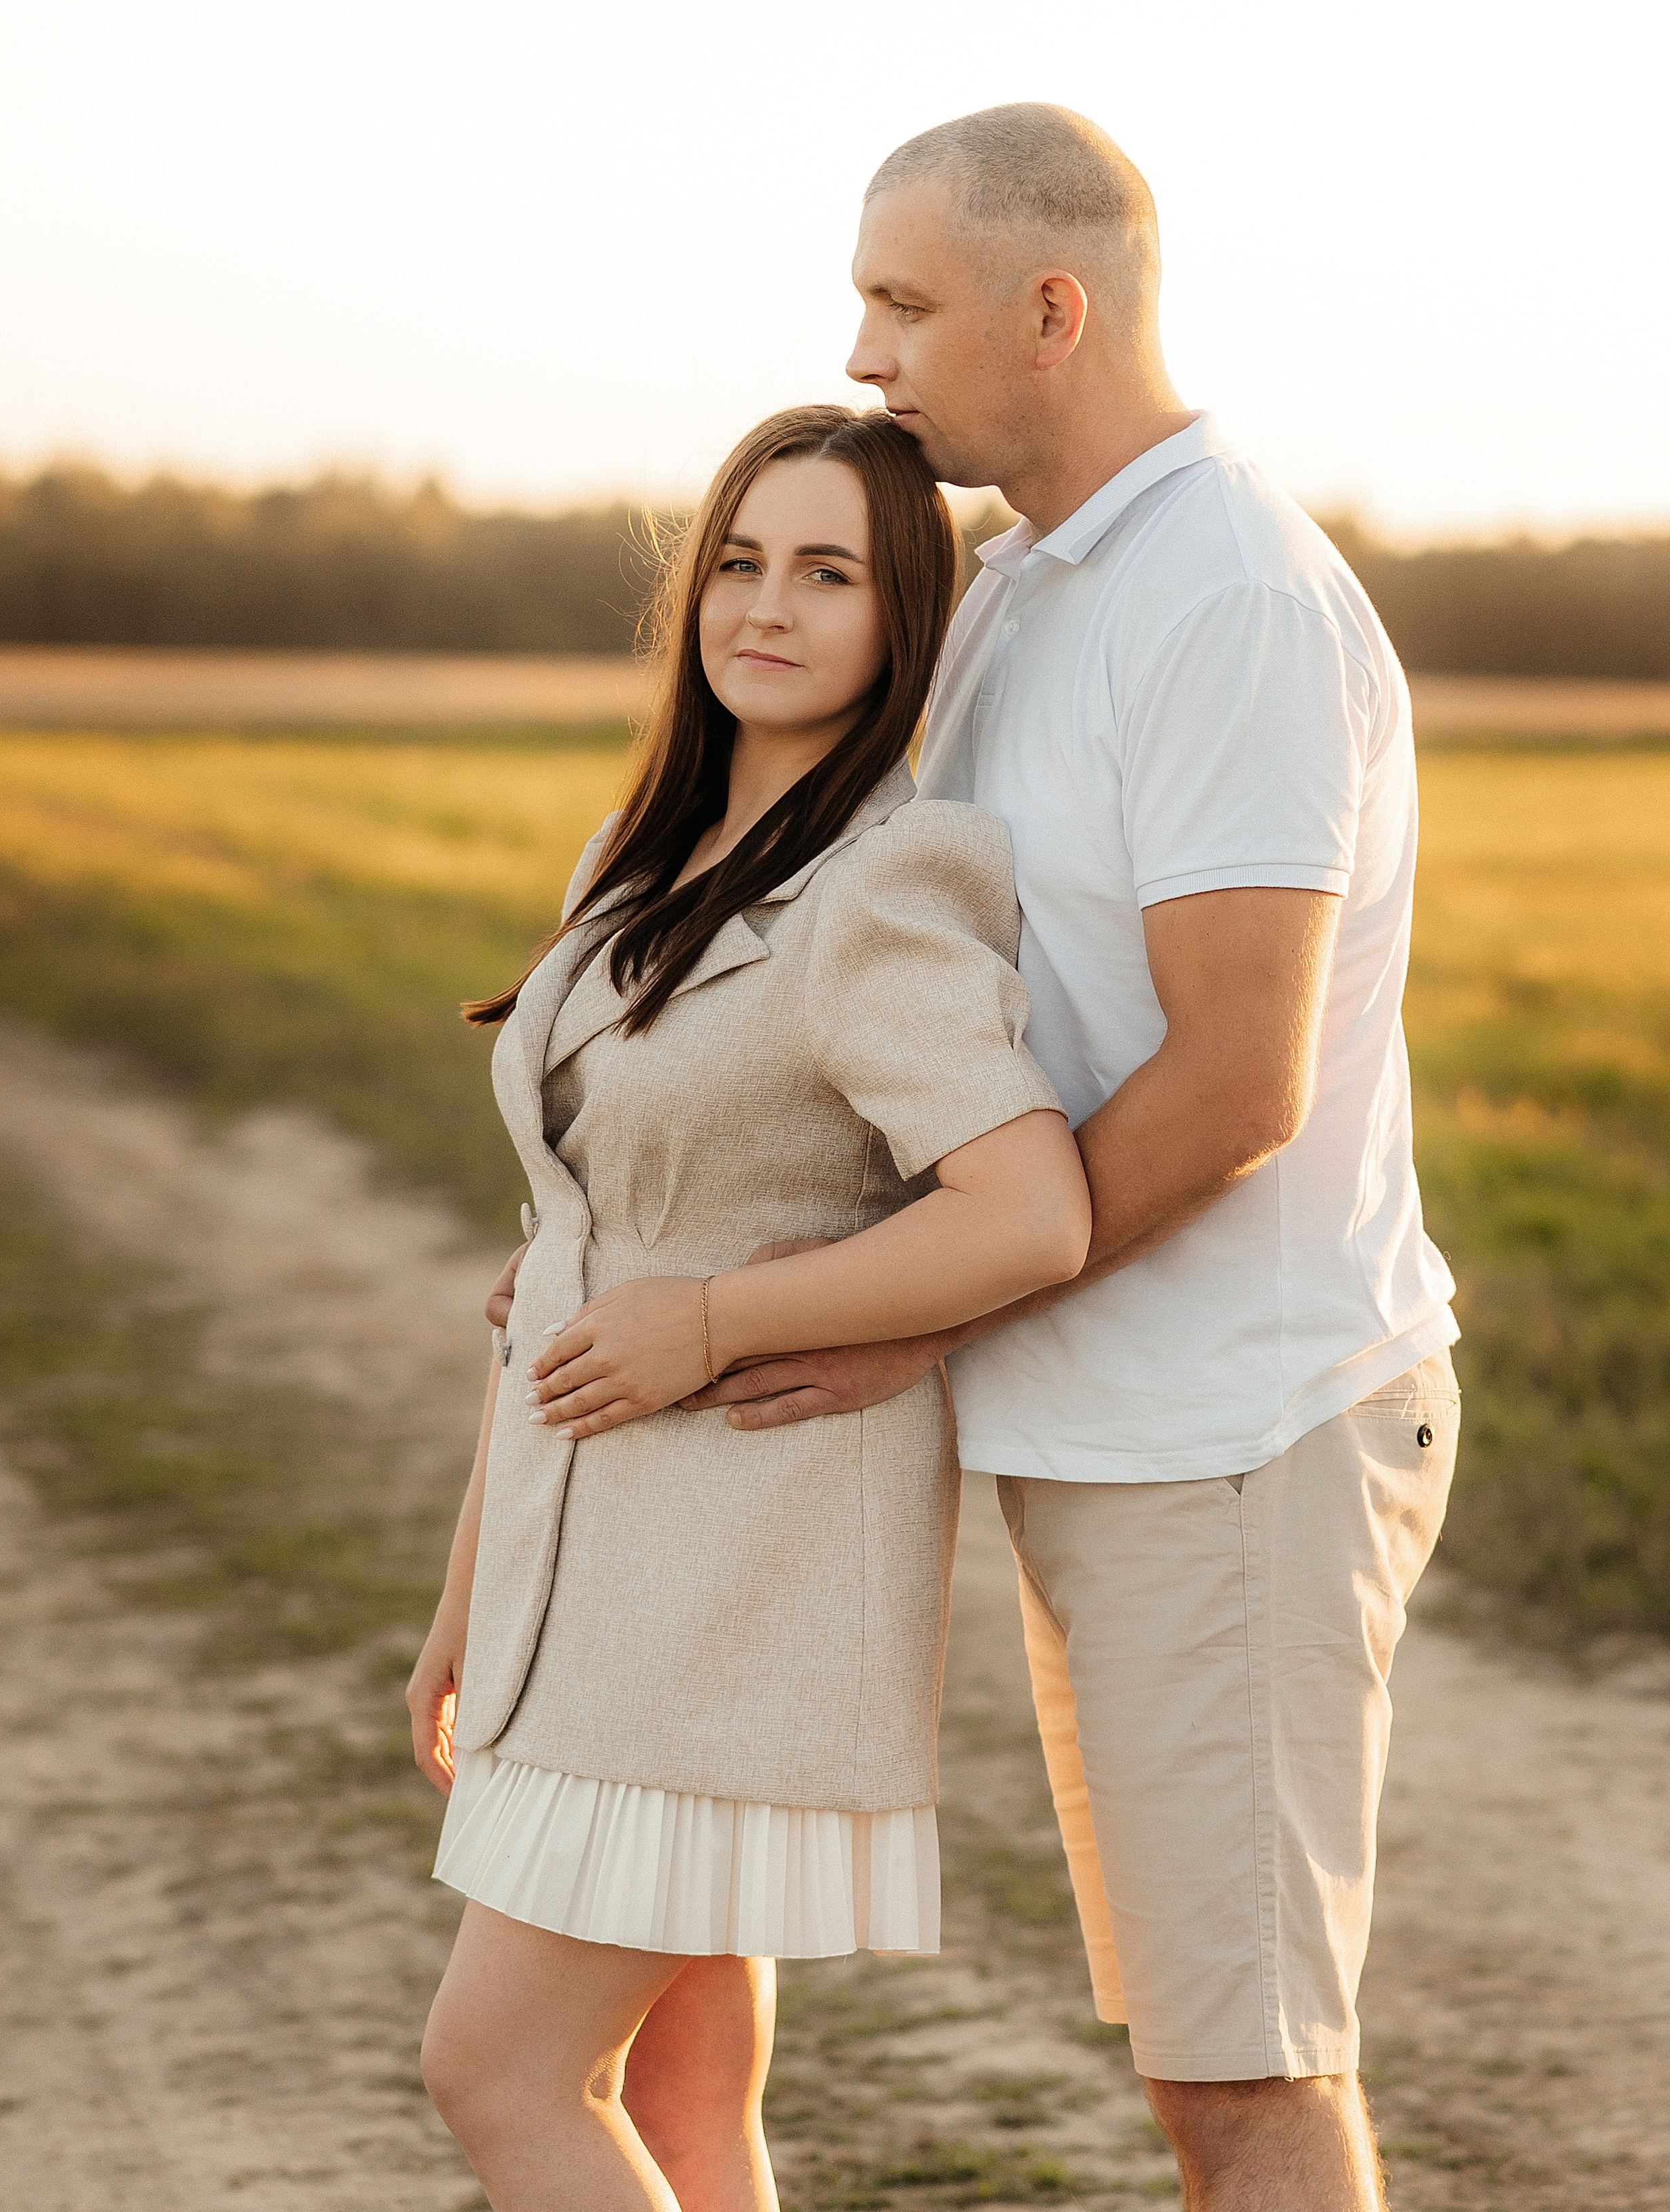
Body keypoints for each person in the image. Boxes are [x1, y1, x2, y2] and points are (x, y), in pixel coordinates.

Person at [692, 107, 1461, 2212]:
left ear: (1054, 311)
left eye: (903, 303)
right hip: (1118, 1420)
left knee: (1251, 2077)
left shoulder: (1228, 597)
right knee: (1205, 2062)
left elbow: (1235, 1081)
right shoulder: (1030, 586)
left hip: (1237, 1434)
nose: (863, 354)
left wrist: (918, 1319)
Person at [405, 400, 1091, 2212]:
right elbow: (569, 1257)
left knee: (500, 2071)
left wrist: (710, 1316)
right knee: (687, 2099)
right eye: (739, 561)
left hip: (739, 1578)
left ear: (903, 619)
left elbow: (1028, 1212)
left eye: (829, 573)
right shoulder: (636, 865)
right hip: (585, 1563)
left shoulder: (888, 887)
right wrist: (472, 1599)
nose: (767, 606)